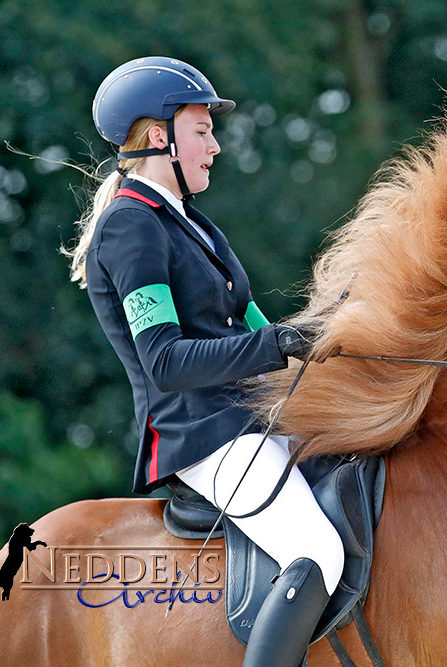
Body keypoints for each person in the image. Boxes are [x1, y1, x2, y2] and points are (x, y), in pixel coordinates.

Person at [67, 56, 344, 667]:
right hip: (200, 434)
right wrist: (279, 345)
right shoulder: (131, 227)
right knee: (317, 550)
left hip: (249, 416)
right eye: (203, 131)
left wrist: (328, 340)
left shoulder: (195, 226)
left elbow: (255, 329)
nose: (215, 147)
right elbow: (165, 359)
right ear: (160, 136)